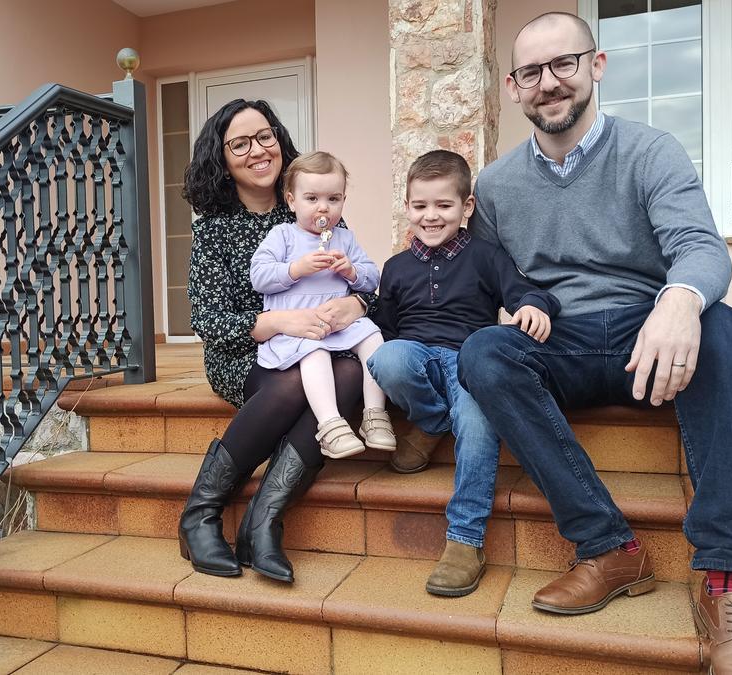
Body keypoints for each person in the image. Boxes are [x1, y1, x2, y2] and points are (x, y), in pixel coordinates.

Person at [459, 12, 732, 674]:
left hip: (649, 330)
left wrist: (681, 299)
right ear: (515, 88)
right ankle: (609, 547)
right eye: (531, 73)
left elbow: (697, 246)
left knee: (722, 327)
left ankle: (728, 587)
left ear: (596, 66)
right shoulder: (493, 186)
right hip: (564, 339)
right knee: (484, 352)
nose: (549, 83)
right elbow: (493, 282)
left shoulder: (651, 149)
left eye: (563, 64)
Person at [177, 99, 373, 584]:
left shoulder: (319, 212)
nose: (257, 150)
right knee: (292, 385)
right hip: (244, 353)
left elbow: (359, 281)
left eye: (265, 136)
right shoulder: (215, 232)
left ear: (280, 141)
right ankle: (201, 514)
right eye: (239, 144)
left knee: (347, 371)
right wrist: (280, 323)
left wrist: (358, 307)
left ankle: (262, 522)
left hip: (319, 346)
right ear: (222, 160)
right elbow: (207, 318)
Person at [367, 150, 559, 597]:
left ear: (466, 207)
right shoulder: (395, 268)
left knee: (475, 420)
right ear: (407, 206)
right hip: (417, 358)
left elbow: (523, 291)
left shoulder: (487, 256)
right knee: (387, 358)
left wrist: (533, 306)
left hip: (470, 359)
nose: (430, 216)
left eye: (443, 206)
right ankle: (435, 422)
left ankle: (465, 540)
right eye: (420, 206)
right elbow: (386, 329)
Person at [251, 151, 394, 459]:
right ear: (292, 201)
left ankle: (375, 415)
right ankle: (331, 426)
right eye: (312, 198)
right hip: (299, 328)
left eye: (333, 199)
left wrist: (351, 271)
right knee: (313, 352)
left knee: (372, 336)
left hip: (337, 324)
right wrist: (296, 268)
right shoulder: (283, 236)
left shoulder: (344, 238)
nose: (323, 208)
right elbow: (259, 276)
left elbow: (371, 277)